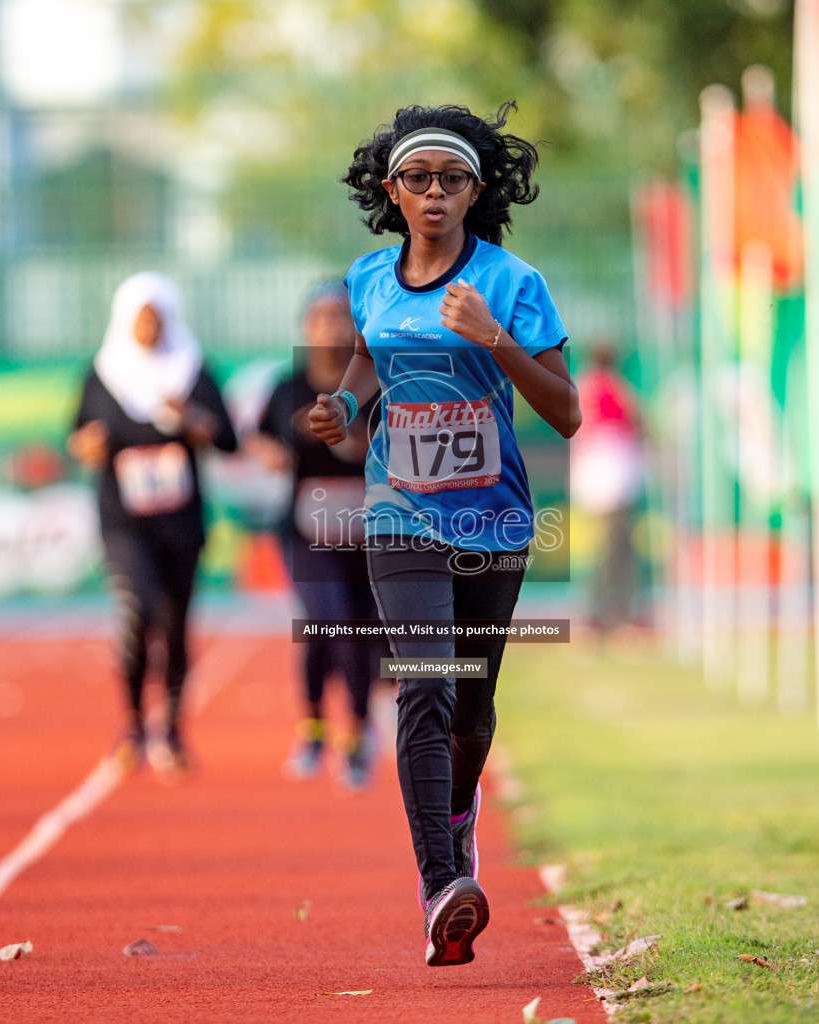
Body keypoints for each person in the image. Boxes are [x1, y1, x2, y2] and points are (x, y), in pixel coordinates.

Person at [310, 102, 581, 966]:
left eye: (452, 180)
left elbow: (567, 413)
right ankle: (441, 886)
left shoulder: (511, 284)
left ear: (475, 191)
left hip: (495, 520)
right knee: (424, 685)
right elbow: (367, 355)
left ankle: (457, 817)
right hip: (398, 512)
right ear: (392, 190)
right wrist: (347, 404)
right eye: (419, 179)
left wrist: (493, 338)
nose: (434, 194)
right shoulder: (367, 279)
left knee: (470, 704)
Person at [67, 271, 237, 781]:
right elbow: (77, 437)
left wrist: (192, 420)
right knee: (138, 613)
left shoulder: (192, 370)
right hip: (124, 521)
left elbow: (228, 440)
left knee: (175, 627)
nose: (149, 327)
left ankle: (173, 731)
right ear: (124, 319)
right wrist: (88, 446)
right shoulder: (102, 373)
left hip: (181, 524)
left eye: (157, 317)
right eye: (140, 317)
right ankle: (135, 724)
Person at [251, 280, 382, 791]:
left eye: (339, 316)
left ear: (356, 326)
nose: (328, 326)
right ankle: (313, 729)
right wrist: (273, 451)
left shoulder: (377, 381)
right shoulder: (288, 387)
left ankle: (356, 736)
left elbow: (398, 445)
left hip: (371, 528)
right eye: (319, 317)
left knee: (359, 632)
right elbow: (260, 438)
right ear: (306, 327)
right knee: (326, 621)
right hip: (308, 529)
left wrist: (345, 438)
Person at [572, 343, 647, 637]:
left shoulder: (583, 386)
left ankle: (603, 615)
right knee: (614, 551)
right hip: (612, 478)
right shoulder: (613, 387)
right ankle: (608, 616)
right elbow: (637, 421)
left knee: (607, 549)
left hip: (593, 476)